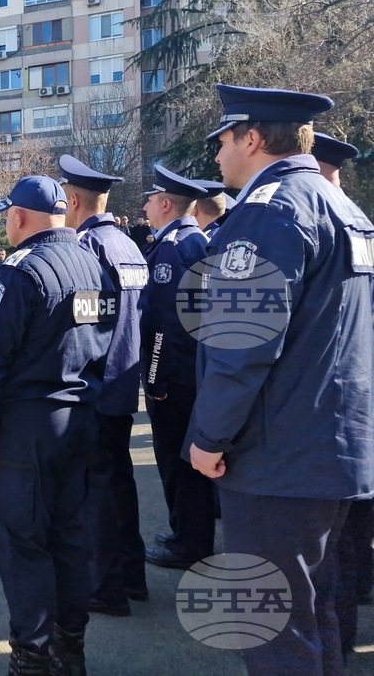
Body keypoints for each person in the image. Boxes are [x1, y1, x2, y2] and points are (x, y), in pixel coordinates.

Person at [188, 85, 374, 676]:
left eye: (222, 140)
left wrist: (209, 437)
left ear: (251, 137)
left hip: (278, 454)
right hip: (332, 444)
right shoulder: (342, 205)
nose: (217, 155)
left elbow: (242, 347)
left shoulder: (269, 210)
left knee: (271, 625)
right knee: (313, 615)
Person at [0, 175, 117, 675]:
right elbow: (104, 338)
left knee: (23, 544)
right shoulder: (92, 263)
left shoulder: (17, 272)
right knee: (69, 537)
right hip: (80, 420)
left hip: (28, 430)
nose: (7, 222)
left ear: (20, 217)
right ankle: (70, 648)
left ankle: (33, 657)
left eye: (7, 214)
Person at [59, 154, 150, 616]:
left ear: (73, 200)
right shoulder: (129, 245)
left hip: (95, 386)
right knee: (118, 483)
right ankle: (132, 576)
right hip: (123, 380)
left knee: (96, 491)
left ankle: (107, 586)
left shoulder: (88, 248)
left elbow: (84, 325)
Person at [311, 131, 373, 661]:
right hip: (357, 410)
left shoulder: (321, 220)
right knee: (347, 543)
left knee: (332, 555)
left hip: (328, 415)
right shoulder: (359, 223)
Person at [139, 166, 215, 569]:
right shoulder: (193, 240)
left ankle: (189, 543)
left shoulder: (172, 249)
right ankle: (190, 534)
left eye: (151, 199)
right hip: (193, 371)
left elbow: (166, 324)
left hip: (174, 376)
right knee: (187, 463)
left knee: (176, 462)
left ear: (166, 204)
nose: (147, 205)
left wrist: (155, 379)